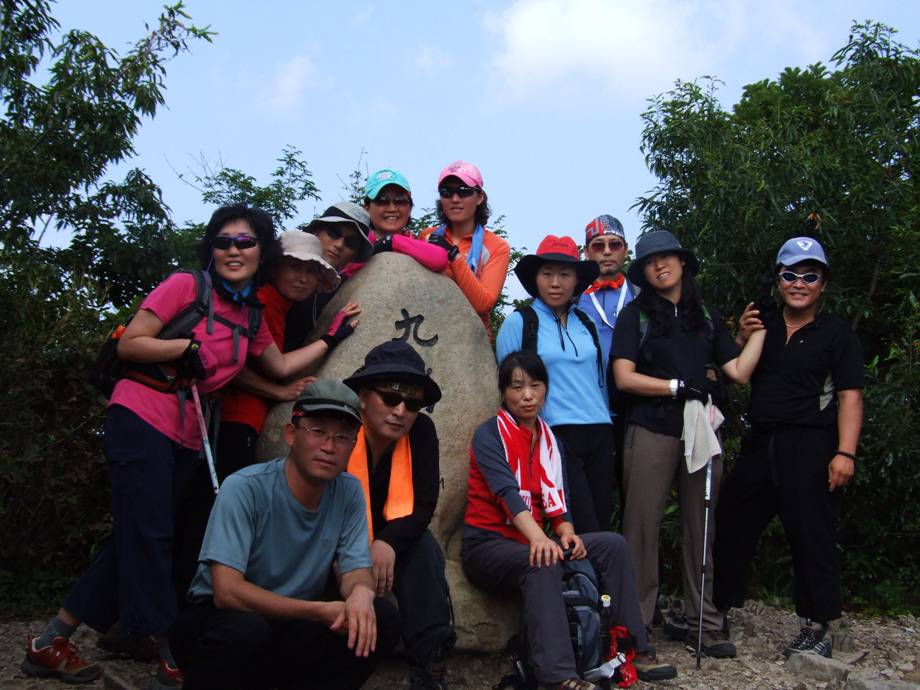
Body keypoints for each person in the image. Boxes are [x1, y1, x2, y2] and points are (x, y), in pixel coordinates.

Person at [22, 204, 362, 688]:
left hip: (187, 430)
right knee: (153, 534)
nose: (233, 250)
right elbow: (131, 344)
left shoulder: (252, 313)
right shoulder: (186, 286)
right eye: (224, 241)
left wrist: (332, 337)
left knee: (144, 533)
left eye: (245, 242)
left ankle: (52, 638)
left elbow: (281, 366)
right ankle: (170, 653)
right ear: (212, 248)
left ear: (261, 250)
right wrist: (181, 348)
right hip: (141, 415)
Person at [462, 350, 677, 689]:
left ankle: (636, 649)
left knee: (612, 546)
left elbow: (557, 506)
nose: (527, 395)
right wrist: (540, 540)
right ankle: (559, 676)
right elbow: (507, 494)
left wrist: (566, 533)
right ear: (503, 392)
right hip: (487, 546)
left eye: (535, 385)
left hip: (529, 542)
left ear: (546, 389)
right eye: (517, 387)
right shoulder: (489, 435)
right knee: (543, 559)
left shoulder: (549, 440)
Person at [169, 380, 400, 690]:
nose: (329, 447)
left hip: (289, 625)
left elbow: (355, 569)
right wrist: (318, 611)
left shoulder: (349, 492)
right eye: (318, 432)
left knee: (380, 616)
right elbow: (227, 592)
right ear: (291, 434)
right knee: (246, 630)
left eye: (342, 437)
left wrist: (361, 592)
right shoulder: (245, 488)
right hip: (219, 621)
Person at [610, 229, 765, 659]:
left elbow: (737, 372)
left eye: (666, 257)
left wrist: (762, 332)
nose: (659, 265)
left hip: (701, 430)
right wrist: (677, 386)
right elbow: (623, 377)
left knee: (702, 526)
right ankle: (636, 626)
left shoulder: (708, 316)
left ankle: (704, 621)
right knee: (641, 527)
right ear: (642, 271)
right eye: (649, 261)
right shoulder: (635, 315)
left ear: (682, 263)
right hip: (651, 427)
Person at [714, 237, 863, 658]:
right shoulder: (762, 324)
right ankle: (718, 608)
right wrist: (741, 336)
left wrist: (845, 452)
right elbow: (731, 371)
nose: (799, 283)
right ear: (778, 279)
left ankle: (818, 622)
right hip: (762, 439)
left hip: (812, 443)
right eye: (790, 274)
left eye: (809, 275)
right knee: (733, 521)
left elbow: (850, 396)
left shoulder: (836, 334)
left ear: (823, 282)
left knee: (811, 532)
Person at [343, 341, 455, 689]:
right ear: (363, 396)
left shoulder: (421, 431)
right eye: (390, 398)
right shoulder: (340, 427)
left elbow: (423, 505)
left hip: (393, 537)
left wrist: (388, 543)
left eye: (413, 402)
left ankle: (429, 660)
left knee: (422, 547)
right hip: (336, 539)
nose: (401, 411)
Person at [496, 235, 614, 534]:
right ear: (536, 279)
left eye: (565, 274)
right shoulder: (520, 323)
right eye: (547, 274)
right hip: (555, 433)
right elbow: (508, 386)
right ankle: (578, 579)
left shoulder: (586, 323)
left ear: (576, 280)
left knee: (601, 519)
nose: (556, 282)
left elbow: (599, 381)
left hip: (600, 431)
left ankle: (594, 581)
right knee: (577, 523)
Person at [419, 161, 510, 334]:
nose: (455, 199)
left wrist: (453, 255)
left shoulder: (497, 247)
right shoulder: (426, 236)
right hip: (427, 333)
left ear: (480, 197)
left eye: (464, 191)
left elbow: (482, 304)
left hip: (469, 343)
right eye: (447, 192)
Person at [284, 202, 373, 351]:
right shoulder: (278, 267)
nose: (339, 244)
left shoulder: (339, 293)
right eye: (334, 233)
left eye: (350, 242)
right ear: (316, 231)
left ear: (355, 255)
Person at [349, 168, 449, 274]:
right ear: (366, 209)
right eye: (382, 201)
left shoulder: (418, 243)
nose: (392, 209)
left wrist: (391, 241)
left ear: (410, 209)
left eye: (400, 201)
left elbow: (440, 259)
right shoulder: (355, 244)